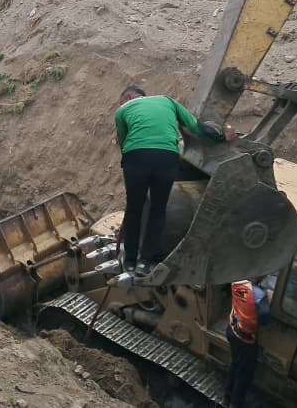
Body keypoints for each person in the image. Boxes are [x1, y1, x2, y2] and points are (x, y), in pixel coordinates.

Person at [113, 86, 235, 275]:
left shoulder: (122, 111)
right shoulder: (168, 100)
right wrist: (222, 136)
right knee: (158, 210)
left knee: (134, 209)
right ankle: (146, 262)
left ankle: (129, 262)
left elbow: (123, 141)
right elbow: (195, 127)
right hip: (167, 157)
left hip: (136, 159)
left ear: (128, 98)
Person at [225, 277, 273, 407]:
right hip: (245, 339)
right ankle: (235, 403)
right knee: (244, 372)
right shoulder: (260, 296)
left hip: (232, 329)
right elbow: (265, 319)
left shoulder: (238, 283)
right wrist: (268, 298)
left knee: (235, 363)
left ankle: (228, 393)